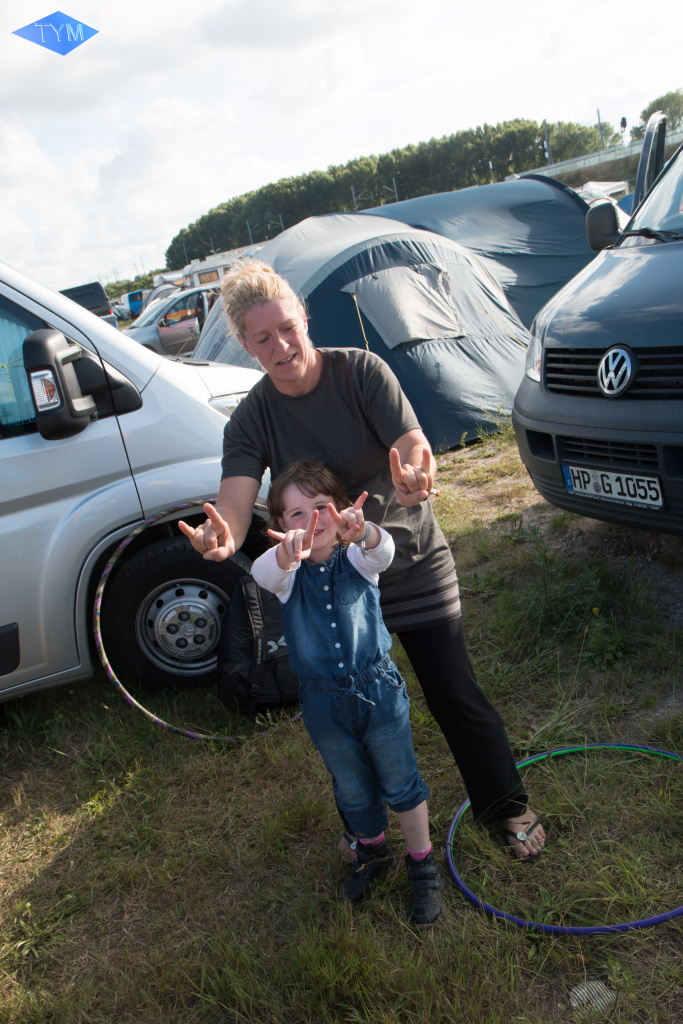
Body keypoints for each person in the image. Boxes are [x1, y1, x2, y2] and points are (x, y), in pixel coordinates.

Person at [179, 259, 545, 861]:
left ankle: (507, 806)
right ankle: (365, 828)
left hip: (405, 558)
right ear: (245, 345)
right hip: (332, 589)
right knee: (344, 716)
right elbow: (236, 504)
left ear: (304, 319)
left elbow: (411, 443)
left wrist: (416, 476)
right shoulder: (251, 418)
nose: (281, 346)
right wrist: (224, 539)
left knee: (454, 692)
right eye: (263, 338)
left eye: (287, 328)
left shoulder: (360, 371)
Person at [249, 460, 445, 925]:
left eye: (321, 508)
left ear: (341, 514)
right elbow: (262, 572)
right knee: (353, 788)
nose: (311, 521)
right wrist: (284, 555)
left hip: (378, 692)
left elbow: (384, 551)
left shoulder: (358, 557)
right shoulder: (286, 576)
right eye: (296, 515)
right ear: (279, 526)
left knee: (400, 780)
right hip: (322, 704)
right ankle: (373, 852)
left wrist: (366, 532)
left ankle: (423, 865)